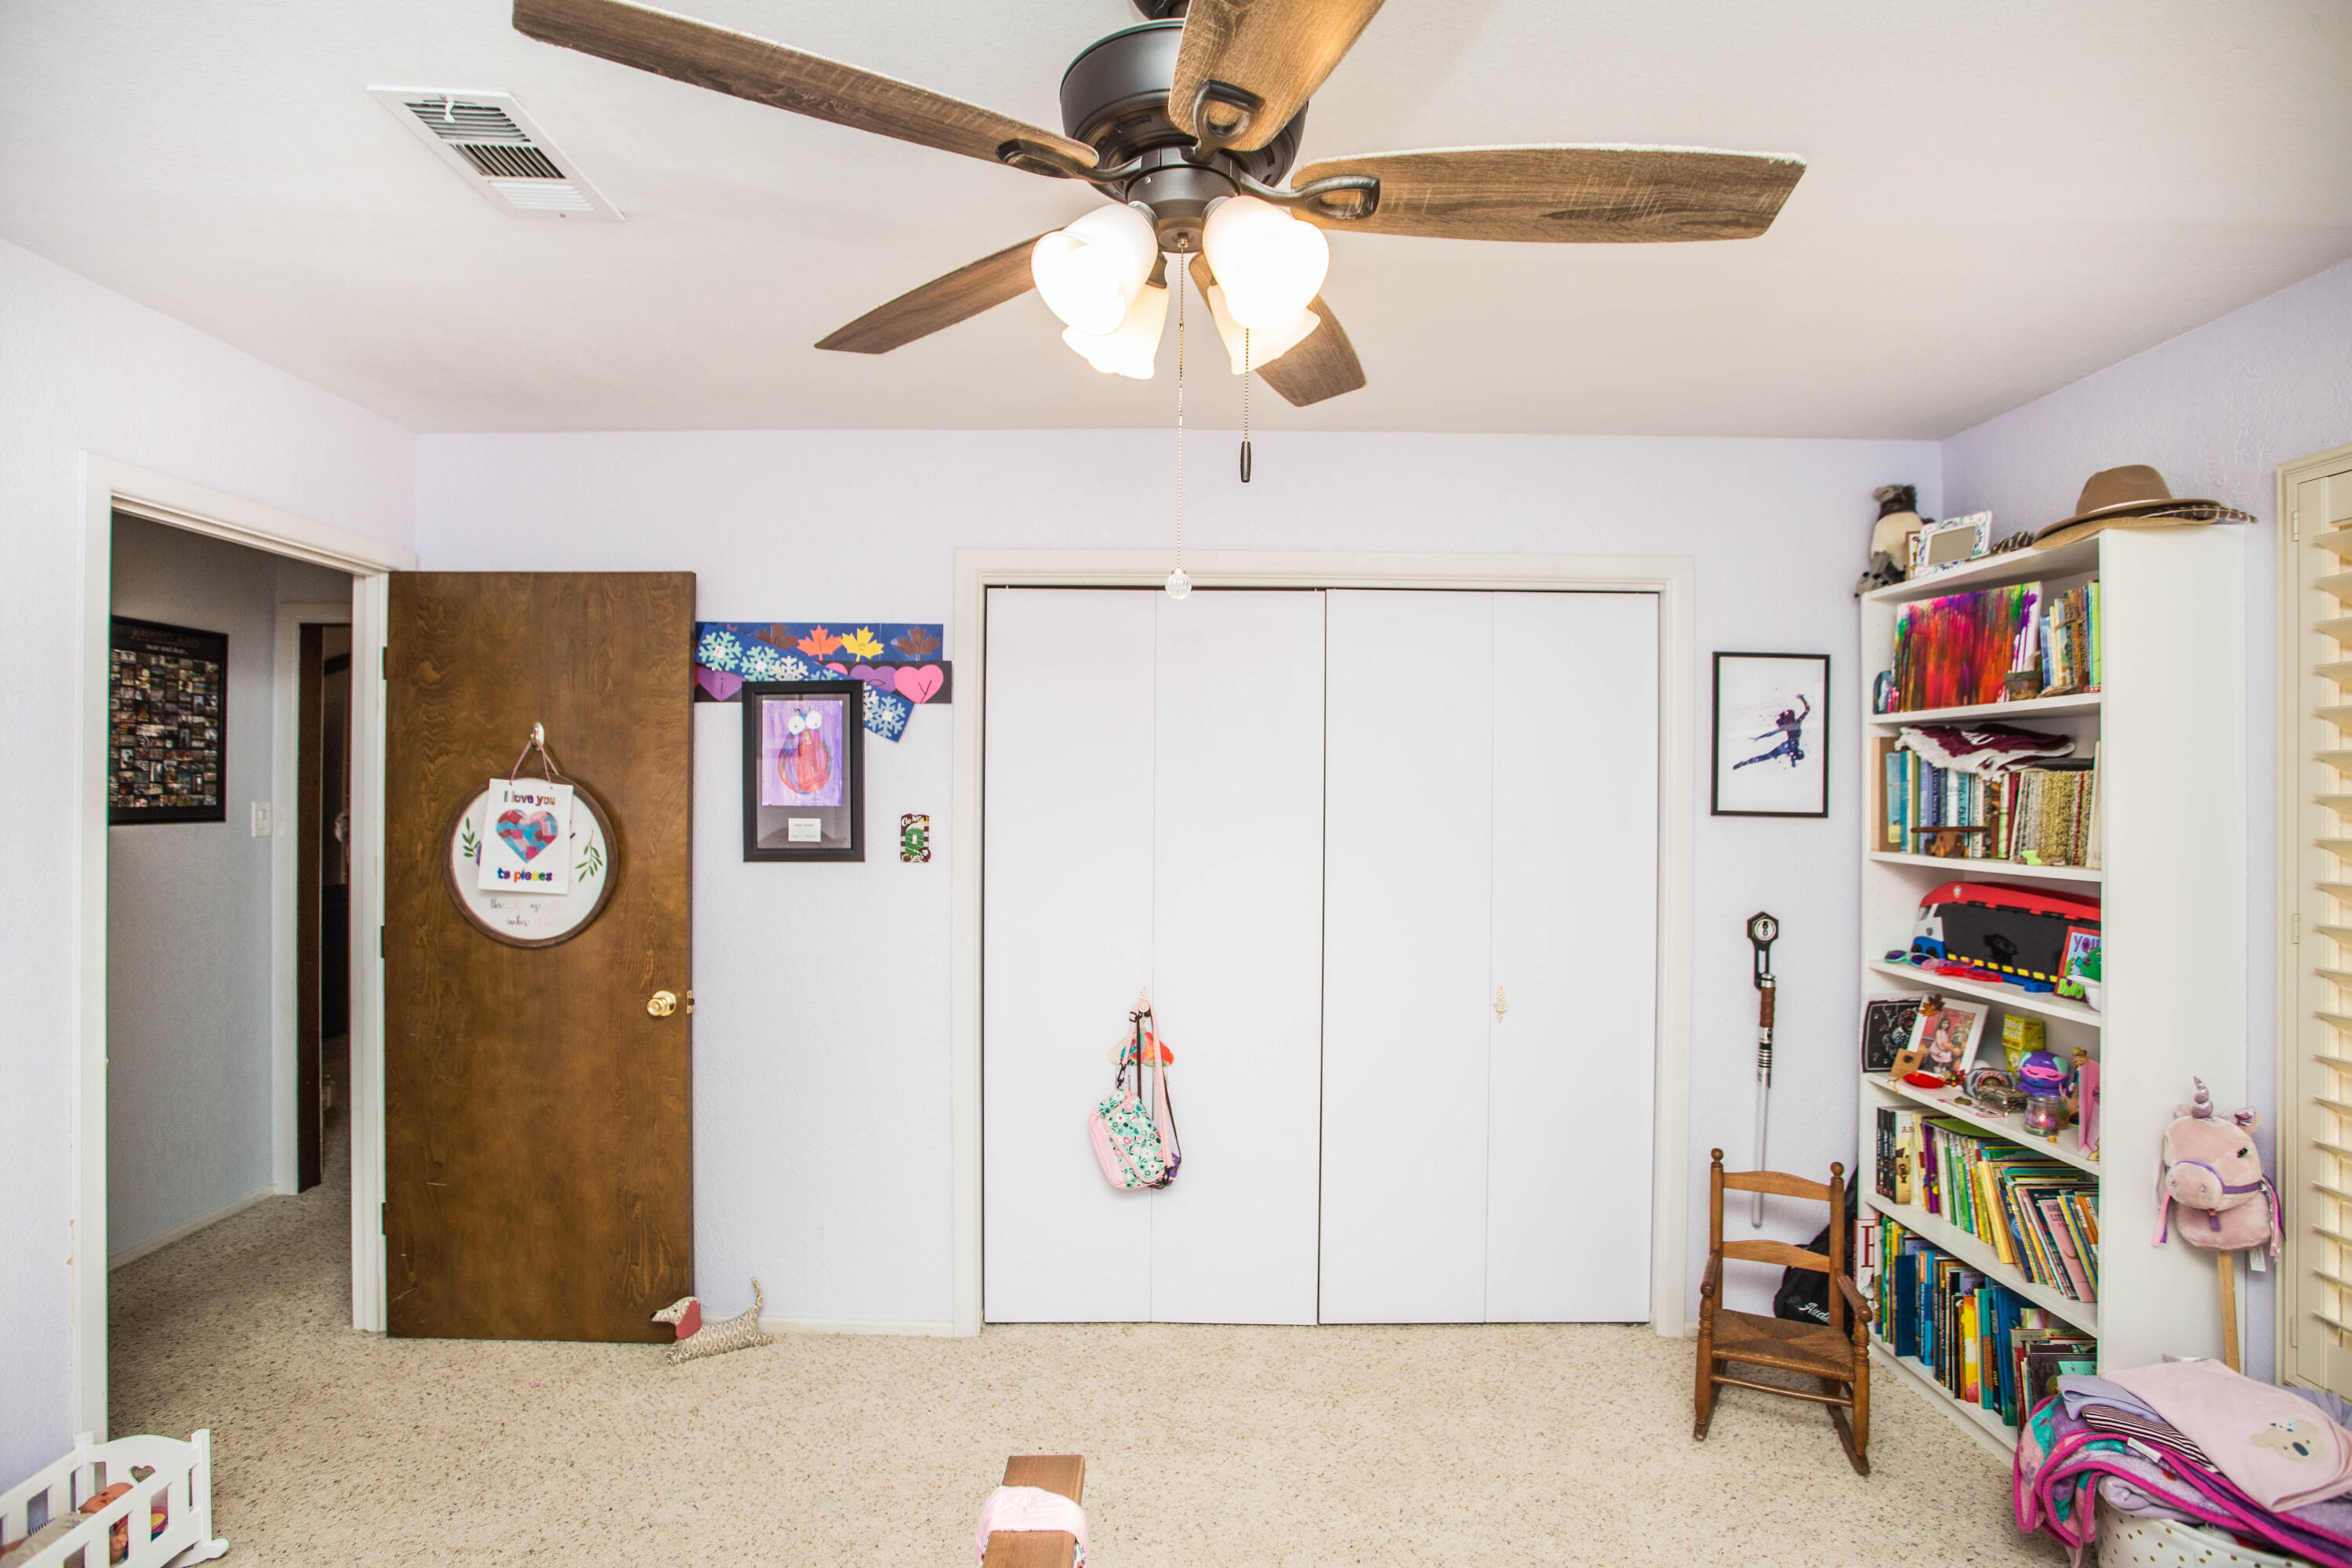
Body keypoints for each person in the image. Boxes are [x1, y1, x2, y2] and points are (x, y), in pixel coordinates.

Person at [1734, 693, 1810, 771]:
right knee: (1768, 756)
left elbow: (1771, 734)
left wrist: (1802, 698)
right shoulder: (1794, 724)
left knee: (1768, 756)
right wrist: (1802, 698)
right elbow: (1807, 709)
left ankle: (1746, 763)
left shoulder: (1790, 726)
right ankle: (1746, 763)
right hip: (1787, 747)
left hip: (1787, 747)